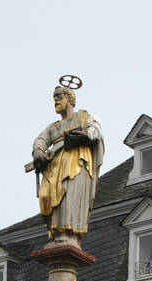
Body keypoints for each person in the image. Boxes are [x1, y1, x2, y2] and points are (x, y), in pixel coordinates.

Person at [31, 81, 104, 244]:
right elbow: (40, 140)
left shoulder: (81, 116)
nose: (55, 101)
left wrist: (86, 135)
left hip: (75, 161)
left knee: (68, 195)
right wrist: (38, 152)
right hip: (55, 165)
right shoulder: (54, 127)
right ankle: (55, 231)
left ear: (70, 98)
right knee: (46, 196)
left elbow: (95, 128)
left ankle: (68, 232)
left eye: (59, 96)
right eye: (54, 98)